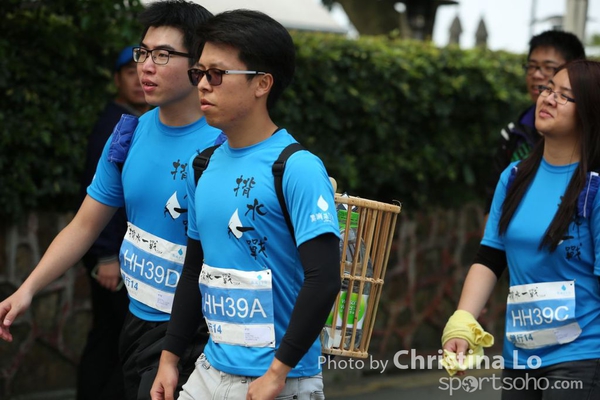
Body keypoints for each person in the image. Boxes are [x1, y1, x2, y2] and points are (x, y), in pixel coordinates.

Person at [0, 1, 224, 399]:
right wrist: (27, 289)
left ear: (199, 65)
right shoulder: (128, 135)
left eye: (163, 55)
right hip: (134, 321)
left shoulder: (226, 145)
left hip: (198, 333)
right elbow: (85, 225)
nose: (146, 67)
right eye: (143, 52)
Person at [150, 9, 341, 400]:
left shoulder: (298, 168)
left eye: (217, 74)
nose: (203, 85)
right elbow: (194, 269)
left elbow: (324, 280)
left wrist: (277, 372)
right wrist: (169, 359)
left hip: (279, 383)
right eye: (199, 73)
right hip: (208, 372)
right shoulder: (201, 166)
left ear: (262, 83)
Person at [442, 59, 600, 399]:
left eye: (565, 95)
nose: (549, 98)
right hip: (520, 357)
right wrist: (462, 321)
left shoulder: (594, 186)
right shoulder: (513, 177)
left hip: (583, 355)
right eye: (549, 89)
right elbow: (490, 256)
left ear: (589, 112)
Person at [76, 45, 150, 400]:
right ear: (117, 79)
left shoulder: (139, 122)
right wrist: (106, 256)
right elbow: (99, 197)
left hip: (121, 254)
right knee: (116, 339)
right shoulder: (116, 126)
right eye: (129, 73)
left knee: (109, 337)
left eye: (141, 71)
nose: (138, 79)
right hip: (112, 259)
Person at [483, 30, 586, 216]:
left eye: (548, 67)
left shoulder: (590, 145)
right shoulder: (512, 135)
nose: (537, 75)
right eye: (531, 66)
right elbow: (492, 206)